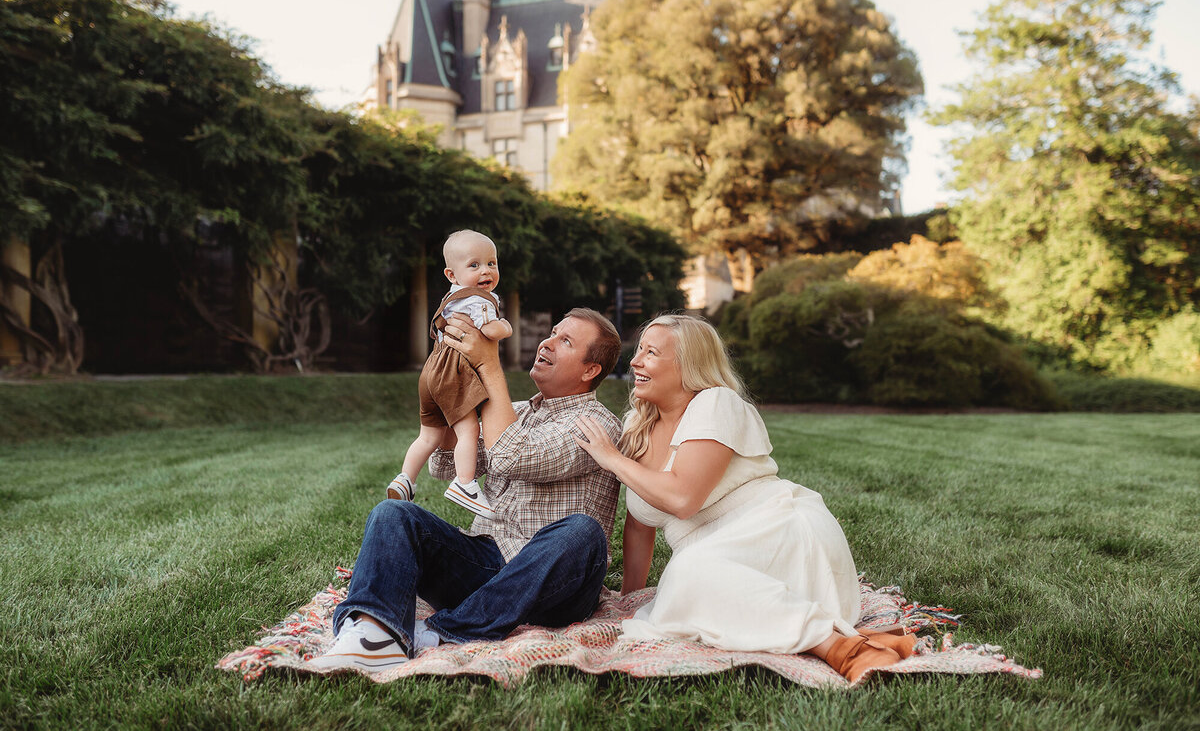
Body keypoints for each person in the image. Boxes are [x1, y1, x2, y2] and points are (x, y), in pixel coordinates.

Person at [574, 314, 917, 683]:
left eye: (651, 353)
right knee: (681, 584)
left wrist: (611, 459)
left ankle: (843, 649)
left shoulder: (717, 403)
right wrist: (630, 599)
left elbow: (682, 498)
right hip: (717, 556)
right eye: (639, 350)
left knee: (688, 574)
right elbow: (640, 526)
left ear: (688, 365)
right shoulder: (636, 426)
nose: (636, 361)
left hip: (777, 532)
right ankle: (863, 642)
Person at [310, 308, 623, 673]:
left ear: (590, 370)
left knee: (583, 532)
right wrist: (451, 375)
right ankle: (373, 633)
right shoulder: (517, 412)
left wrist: (489, 364)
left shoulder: (598, 424)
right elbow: (442, 464)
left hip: (552, 585)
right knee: (393, 513)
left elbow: (512, 456)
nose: (547, 343)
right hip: (485, 563)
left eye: (565, 341)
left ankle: (442, 632)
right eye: (553, 333)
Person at [386, 229, 513, 520]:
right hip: (453, 372)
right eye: (474, 265)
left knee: (428, 435)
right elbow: (491, 330)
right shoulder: (480, 300)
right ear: (451, 275)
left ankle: (405, 478)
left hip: (431, 371)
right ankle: (465, 484)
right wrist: (506, 325)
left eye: (491, 263)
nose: (486, 271)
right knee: (469, 430)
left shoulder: (454, 297)